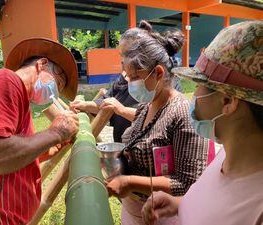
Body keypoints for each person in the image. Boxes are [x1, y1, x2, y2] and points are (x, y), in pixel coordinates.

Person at [142, 20, 263, 225]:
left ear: (228, 100)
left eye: (199, 85)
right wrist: (180, 204)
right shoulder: (230, 152)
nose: (194, 94)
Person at [104, 20, 214, 225]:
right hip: (134, 211)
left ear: (159, 73)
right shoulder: (147, 105)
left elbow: (187, 182)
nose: (131, 84)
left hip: (164, 216)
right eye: (129, 77)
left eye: (136, 77)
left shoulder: (182, 113)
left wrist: (129, 182)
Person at [0, 38, 79, 225]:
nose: (54, 94)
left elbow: (12, 154)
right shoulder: (4, 81)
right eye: (57, 83)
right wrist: (55, 133)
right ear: (42, 64)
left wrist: (56, 141)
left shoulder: (20, 103)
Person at [70, 74, 139, 142]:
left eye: (132, 76)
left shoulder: (146, 94)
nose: (127, 78)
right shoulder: (123, 79)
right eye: (126, 73)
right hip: (120, 141)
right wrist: (84, 105)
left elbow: (147, 116)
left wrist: (123, 110)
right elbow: (104, 101)